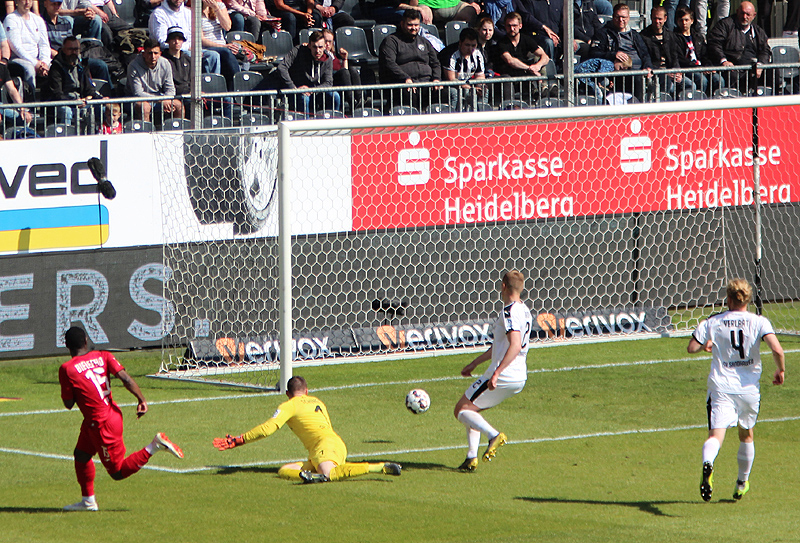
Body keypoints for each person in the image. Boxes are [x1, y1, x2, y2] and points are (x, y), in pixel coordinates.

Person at [59, 326, 184, 511]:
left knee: (117, 472)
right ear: (86, 340)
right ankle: (88, 501)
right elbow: (125, 379)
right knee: (82, 455)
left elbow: (68, 403)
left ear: (67, 345)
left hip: (101, 425)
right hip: (109, 415)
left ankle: (154, 446)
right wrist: (141, 399)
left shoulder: (67, 369)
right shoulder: (103, 355)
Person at [687, 279, 785, 502]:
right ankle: (742, 482)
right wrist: (780, 371)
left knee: (716, 436)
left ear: (729, 299)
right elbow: (777, 349)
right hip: (749, 390)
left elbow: (691, 347)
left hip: (721, 388)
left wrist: (706, 345)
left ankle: (708, 462)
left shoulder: (714, 321)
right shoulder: (759, 322)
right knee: (746, 434)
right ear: (748, 300)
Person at [213, 375, 403, 483]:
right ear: (306, 390)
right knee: (284, 470)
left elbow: (268, 428)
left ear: (288, 393)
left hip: (324, 446)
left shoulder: (289, 405)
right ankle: (313, 477)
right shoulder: (317, 401)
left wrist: (239, 439)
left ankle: (378, 467)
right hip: (332, 445)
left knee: (330, 474)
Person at [453, 270, 532, 472]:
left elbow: (515, 345)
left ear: (503, 287)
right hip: (518, 375)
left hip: (504, 373)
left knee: (461, 410)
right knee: (473, 410)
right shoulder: (524, 310)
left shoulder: (509, 312)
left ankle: (494, 436)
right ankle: (471, 458)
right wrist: (475, 363)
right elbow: (500, 346)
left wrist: (497, 373)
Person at [378, 8, 441, 109]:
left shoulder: (424, 42)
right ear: (402, 24)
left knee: (445, 92)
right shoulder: (391, 41)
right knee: (409, 93)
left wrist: (437, 79)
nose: (413, 28)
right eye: (410, 25)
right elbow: (389, 63)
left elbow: (435, 63)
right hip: (403, 85)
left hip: (427, 83)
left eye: (416, 25)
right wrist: (405, 78)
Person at [589, 3, 652, 101]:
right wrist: (614, 55)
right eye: (618, 17)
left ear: (628, 18)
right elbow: (593, 53)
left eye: (624, 17)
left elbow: (645, 54)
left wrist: (647, 66)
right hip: (619, 73)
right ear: (613, 17)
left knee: (662, 76)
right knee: (637, 79)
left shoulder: (634, 35)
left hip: (639, 71)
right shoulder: (603, 33)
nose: (621, 20)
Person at [706, 1, 770, 93]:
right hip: (732, 67)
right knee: (732, 75)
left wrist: (760, 65)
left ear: (754, 15)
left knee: (773, 72)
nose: (744, 17)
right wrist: (723, 60)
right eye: (742, 13)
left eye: (748, 14)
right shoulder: (724, 25)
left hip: (753, 67)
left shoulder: (758, 31)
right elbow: (714, 44)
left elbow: (765, 50)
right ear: (737, 11)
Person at [149, 0, 222, 75]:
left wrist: (193, 48)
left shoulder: (188, 13)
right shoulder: (158, 14)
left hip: (190, 49)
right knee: (191, 55)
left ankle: (212, 84)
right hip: (170, 51)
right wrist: (188, 47)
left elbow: (193, 36)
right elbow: (162, 41)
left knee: (213, 55)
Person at [43, 36, 103, 124]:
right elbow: (57, 94)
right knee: (66, 111)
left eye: (76, 49)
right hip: (63, 103)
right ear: (63, 50)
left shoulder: (82, 64)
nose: (74, 52)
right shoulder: (56, 67)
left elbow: (89, 88)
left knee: (101, 108)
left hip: (81, 101)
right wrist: (73, 102)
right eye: (70, 49)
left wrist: (94, 98)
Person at [495, 11, 550, 101]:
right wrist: (529, 68)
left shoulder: (526, 39)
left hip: (525, 76)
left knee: (538, 58)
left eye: (514, 26)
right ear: (505, 27)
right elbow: (510, 61)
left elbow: (545, 57)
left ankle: (543, 88)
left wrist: (537, 66)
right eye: (509, 26)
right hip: (508, 76)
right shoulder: (502, 43)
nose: (512, 29)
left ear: (520, 26)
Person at [126, 36, 183, 121]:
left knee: (178, 105)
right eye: (150, 53)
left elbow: (171, 89)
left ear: (160, 53)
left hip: (159, 98)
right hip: (137, 100)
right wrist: (161, 100)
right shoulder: (133, 66)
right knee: (144, 107)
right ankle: (146, 132)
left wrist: (166, 99)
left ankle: (178, 132)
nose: (153, 56)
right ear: (143, 54)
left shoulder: (165, 63)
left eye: (156, 53)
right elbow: (138, 93)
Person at [640, 6, 692, 97]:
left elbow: (675, 56)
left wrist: (677, 71)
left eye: (660, 19)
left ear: (665, 18)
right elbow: (646, 58)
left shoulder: (671, 35)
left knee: (690, 85)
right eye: (655, 18)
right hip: (656, 73)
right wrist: (664, 72)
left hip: (671, 71)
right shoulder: (643, 36)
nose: (657, 21)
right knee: (667, 83)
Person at [4, 0, 50, 98]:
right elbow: (16, 47)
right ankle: (30, 105)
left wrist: (44, 62)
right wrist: (35, 63)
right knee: (29, 68)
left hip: (38, 60)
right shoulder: (11, 19)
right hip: (18, 58)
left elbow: (44, 44)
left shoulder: (38, 20)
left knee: (55, 65)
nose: (27, 2)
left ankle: (52, 103)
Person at [673, 5, 719, 94]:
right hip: (688, 68)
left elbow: (705, 55)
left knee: (718, 79)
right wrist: (699, 68)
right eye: (681, 20)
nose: (684, 23)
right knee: (702, 80)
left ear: (692, 21)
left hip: (701, 67)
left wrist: (708, 66)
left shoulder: (698, 37)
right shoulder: (674, 37)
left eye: (686, 20)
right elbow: (680, 59)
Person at [438, 26, 486, 109]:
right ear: (460, 43)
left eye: (473, 45)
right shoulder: (450, 54)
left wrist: (478, 86)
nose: (470, 49)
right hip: (447, 85)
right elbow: (451, 79)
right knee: (455, 92)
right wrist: (469, 87)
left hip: (467, 83)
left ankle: (483, 116)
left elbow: (480, 76)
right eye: (467, 45)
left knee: (484, 90)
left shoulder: (478, 54)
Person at [201, 0, 242, 89]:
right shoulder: (194, 11)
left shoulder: (220, 6)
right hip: (207, 47)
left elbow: (227, 27)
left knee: (232, 49)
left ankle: (235, 88)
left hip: (223, 46)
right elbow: (202, 40)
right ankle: (238, 79)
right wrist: (223, 46)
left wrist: (216, 9)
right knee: (226, 52)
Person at [162, 25, 190, 95]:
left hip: (189, 95)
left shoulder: (188, 59)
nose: (177, 41)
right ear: (168, 41)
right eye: (173, 38)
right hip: (171, 96)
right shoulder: (162, 60)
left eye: (180, 39)